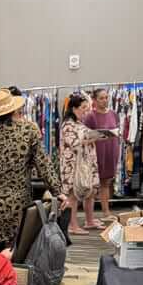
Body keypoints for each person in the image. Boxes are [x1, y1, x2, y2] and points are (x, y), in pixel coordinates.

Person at [0, 89, 66, 250]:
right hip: (16, 207)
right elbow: (44, 166)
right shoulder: (28, 132)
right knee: (16, 254)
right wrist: (57, 191)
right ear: (13, 109)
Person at [60, 92, 101, 234]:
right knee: (72, 195)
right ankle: (73, 225)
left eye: (87, 107)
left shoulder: (79, 124)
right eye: (83, 107)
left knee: (90, 191)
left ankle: (89, 221)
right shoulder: (67, 125)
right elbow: (74, 143)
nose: (86, 111)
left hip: (86, 163)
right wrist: (90, 139)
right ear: (74, 108)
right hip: (73, 165)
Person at [84, 88, 120, 220]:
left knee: (106, 182)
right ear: (94, 100)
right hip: (97, 152)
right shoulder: (90, 116)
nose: (105, 100)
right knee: (93, 185)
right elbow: (86, 135)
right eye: (101, 98)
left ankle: (106, 212)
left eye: (106, 97)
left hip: (111, 151)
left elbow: (116, 131)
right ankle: (90, 217)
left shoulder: (113, 114)